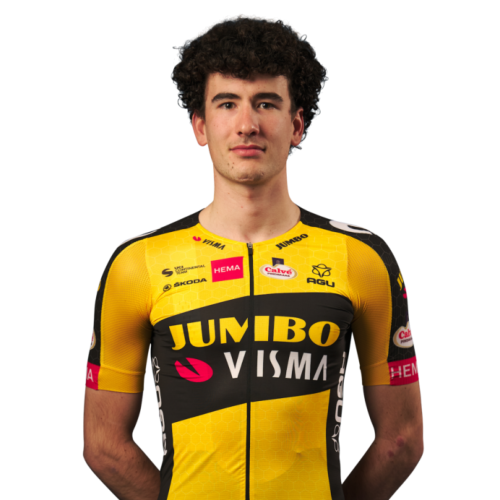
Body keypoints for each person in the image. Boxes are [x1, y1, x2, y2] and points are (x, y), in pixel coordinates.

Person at [83, 15, 424, 500]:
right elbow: (103, 445)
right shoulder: (138, 262)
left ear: (297, 125)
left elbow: (403, 440)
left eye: (266, 103)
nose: (247, 124)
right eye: (227, 103)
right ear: (200, 126)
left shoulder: (362, 257)